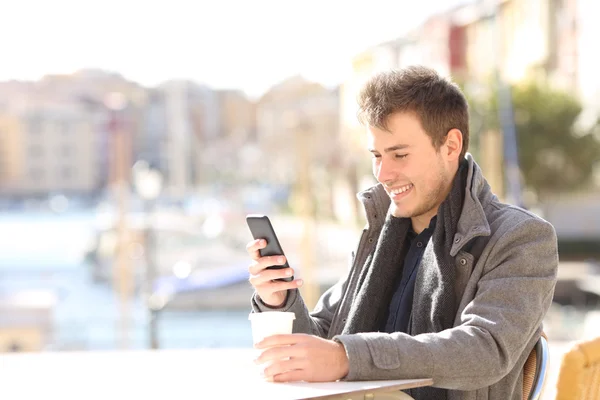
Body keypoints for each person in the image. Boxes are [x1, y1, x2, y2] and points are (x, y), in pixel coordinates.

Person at [246, 65, 559, 400]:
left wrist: (348, 358)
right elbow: (325, 337)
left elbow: (485, 349)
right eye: (377, 156)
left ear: (451, 146)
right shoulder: (379, 236)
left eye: (399, 154)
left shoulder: (522, 238)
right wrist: (278, 301)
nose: (383, 172)